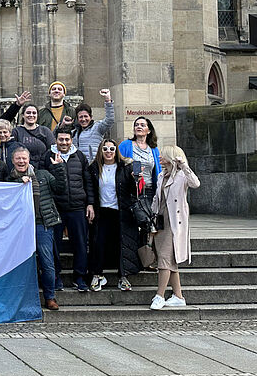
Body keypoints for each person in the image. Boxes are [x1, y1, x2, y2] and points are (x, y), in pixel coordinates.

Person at [6, 146, 66, 310]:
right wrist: (19, 183)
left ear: (29, 159)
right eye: (18, 158)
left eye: (24, 158)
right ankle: (20, 299)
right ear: (12, 161)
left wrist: (59, 167)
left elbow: (61, 188)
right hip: (20, 227)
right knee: (20, 264)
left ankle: (50, 297)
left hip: (42, 224)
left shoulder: (43, 175)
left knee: (47, 262)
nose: (21, 161)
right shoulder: (9, 180)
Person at [42, 128, 95, 292]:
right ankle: (56, 276)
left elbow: (88, 182)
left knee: (80, 244)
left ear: (71, 140)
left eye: (67, 139)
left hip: (78, 206)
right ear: (56, 140)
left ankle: (79, 277)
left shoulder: (79, 156)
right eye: (61, 139)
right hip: (56, 208)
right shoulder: (47, 156)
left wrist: (90, 203)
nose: (64, 143)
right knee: (54, 245)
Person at [149, 145, 200, 310]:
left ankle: (159, 296)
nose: (160, 157)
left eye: (163, 155)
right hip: (161, 221)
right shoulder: (161, 175)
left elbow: (196, 183)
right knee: (169, 260)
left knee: (164, 260)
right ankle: (178, 296)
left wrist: (184, 165)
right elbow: (157, 200)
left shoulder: (182, 176)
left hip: (174, 222)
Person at [86, 139, 141, 292]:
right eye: (105, 149)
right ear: (101, 151)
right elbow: (90, 188)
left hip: (121, 212)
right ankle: (97, 275)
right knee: (98, 244)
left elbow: (134, 191)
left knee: (121, 244)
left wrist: (136, 179)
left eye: (111, 148)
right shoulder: (94, 168)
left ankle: (123, 276)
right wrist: (90, 204)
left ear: (116, 151)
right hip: (102, 211)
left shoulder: (125, 167)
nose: (108, 151)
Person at [71, 89, 114, 159]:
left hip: (94, 165)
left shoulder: (97, 128)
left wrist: (108, 100)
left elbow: (110, 120)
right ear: (78, 119)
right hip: (80, 166)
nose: (83, 119)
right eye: (81, 117)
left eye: (86, 116)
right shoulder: (74, 132)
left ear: (91, 117)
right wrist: (63, 125)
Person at [12, 104, 56, 170]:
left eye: (34, 113)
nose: (31, 115)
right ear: (23, 115)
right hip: (22, 169)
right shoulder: (16, 131)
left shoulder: (45, 131)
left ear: (37, 116)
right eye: (28, 113)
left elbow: (52, 150)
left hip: (43, 169)